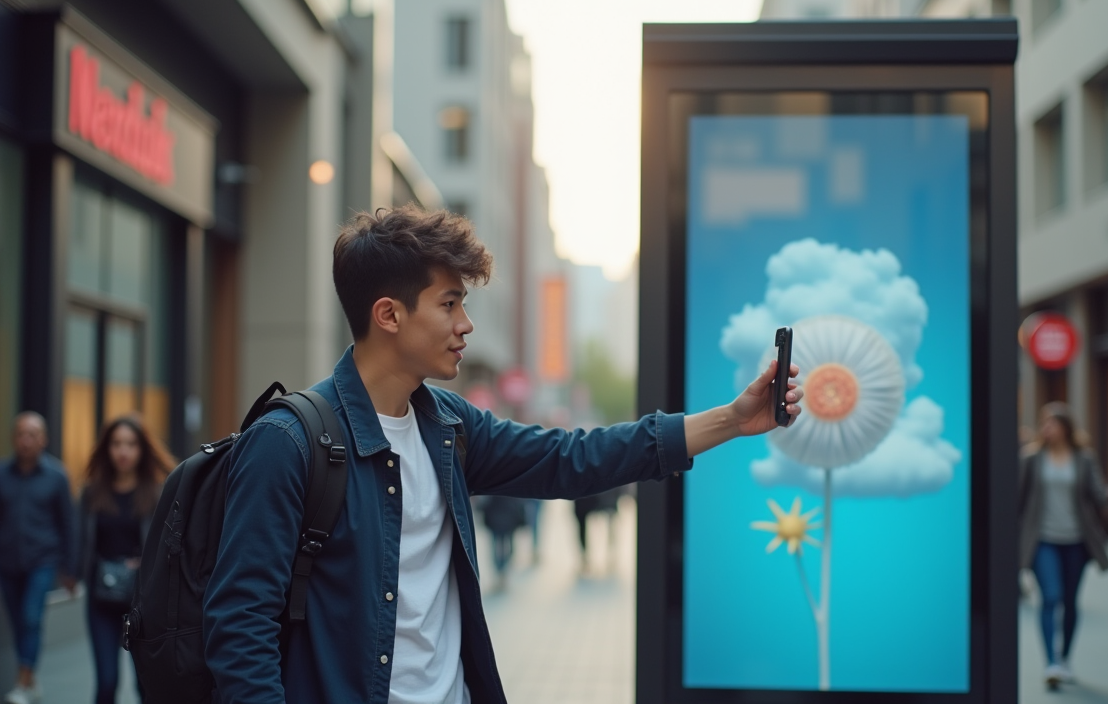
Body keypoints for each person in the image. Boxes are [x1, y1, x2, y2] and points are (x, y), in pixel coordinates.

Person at [203, 205, 803, 704]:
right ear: (388, 314)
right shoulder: (287, 443)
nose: (466, 324)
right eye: (448, 304)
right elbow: (239, 634)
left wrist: (731, 419)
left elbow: (572, 460)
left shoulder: (447, 424)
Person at [1017, 402, 1108, 690]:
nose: (1046, 428)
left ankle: (1065, 658)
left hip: (1076, 540)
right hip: (1042, 540)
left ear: (1065, 427)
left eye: (1052, 423)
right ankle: (1051, 661)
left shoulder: (1083, 459)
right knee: (1051, 596)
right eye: (1044, 423)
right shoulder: (1031, 458)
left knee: (1070, 602)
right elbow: (1018, 498)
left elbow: (1097, 494)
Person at [77, 415, 174, 704]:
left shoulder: (157, 493)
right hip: (101, 599)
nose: (123, 451)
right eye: (117, 444)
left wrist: (144, 562)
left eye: (131, 444)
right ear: (106, 448)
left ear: (142, 449)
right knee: (107, 683)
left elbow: (168, 543)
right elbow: (82, 540)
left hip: (143, 604)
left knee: (146, 685)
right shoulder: (91, 492)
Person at [0, 413, 76, 704]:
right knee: (19, 621)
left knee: (31, 617)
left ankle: (23, 681)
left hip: (42, 560)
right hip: (7, 562)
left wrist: (70, 569)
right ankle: (29, 677)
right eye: (21, 434)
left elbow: (68, 524)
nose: (26, 440)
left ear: (43, 439)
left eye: (32, 434)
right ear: (13, 438)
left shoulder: (56, 476)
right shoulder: (3, 475)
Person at [477, 496, 527, 591]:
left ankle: (501, 569)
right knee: (499, 545)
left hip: (505, 516)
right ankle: (501, 570)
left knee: (504, 547)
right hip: (499, 515)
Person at [573, 488, 622, 577]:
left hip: (597, 494)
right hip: (587, 496)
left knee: (609, 523)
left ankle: (608, 555)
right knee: (583, 525)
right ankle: (587, 558)